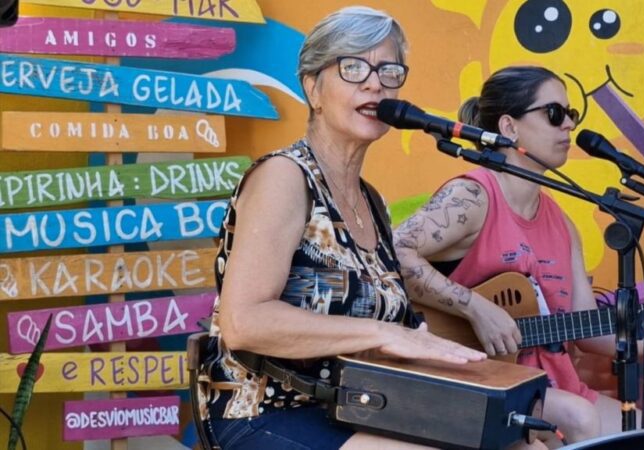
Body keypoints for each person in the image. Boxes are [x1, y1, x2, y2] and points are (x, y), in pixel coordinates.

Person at [195, 7, 547, 450]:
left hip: (362, 404)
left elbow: (393, 329)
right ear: (313, 88)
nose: (375, 83)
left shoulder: (373, 201)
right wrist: (386, 333)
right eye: (353, 66)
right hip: (268, 409)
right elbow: (244, 322)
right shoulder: (284, 177)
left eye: (389, 70)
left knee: (519, 442)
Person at [393, 66, 644, 448]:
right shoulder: (472, 197)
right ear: (509, 127)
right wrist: (476, 309)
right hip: (482, 384)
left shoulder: (563, 225)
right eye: (554, 114)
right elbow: (393, 252)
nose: (568, 125)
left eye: (572, 114)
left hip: (555, 386)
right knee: (578, 418)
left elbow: (587, 330)